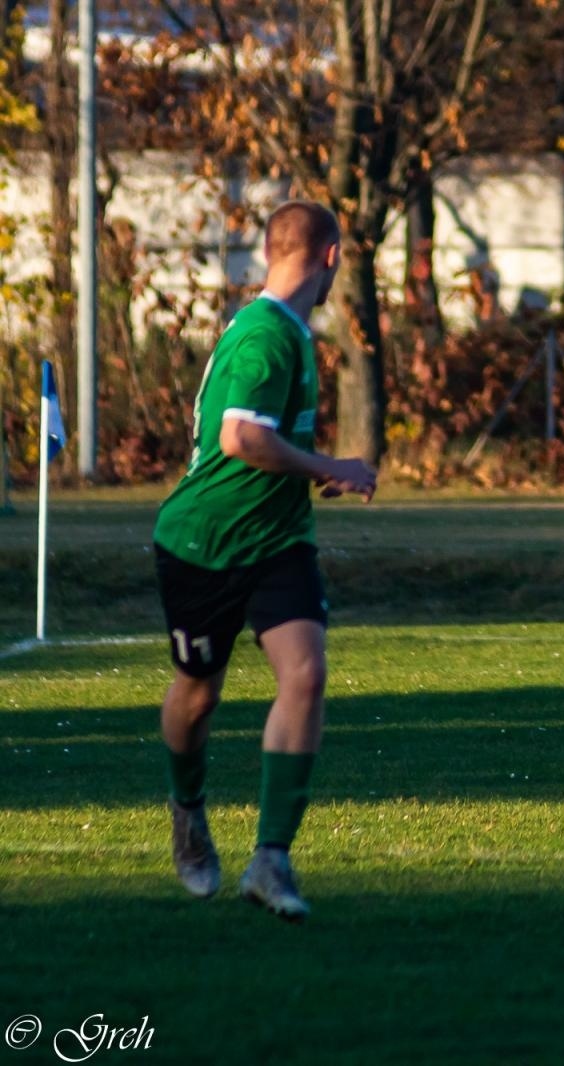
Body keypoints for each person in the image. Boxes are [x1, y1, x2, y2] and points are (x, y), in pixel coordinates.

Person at [153, 200, 377, 922]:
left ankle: (270, 859)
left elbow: (265, 447)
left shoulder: (289, 331)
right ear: (333, 257)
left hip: (278, 539)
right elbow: (239, 439)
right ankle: (188, 809)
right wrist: (326, 461)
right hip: (204, 541)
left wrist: (315, 476)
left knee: (306, 674)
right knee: (198, 694)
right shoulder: (266, 337)